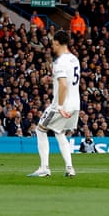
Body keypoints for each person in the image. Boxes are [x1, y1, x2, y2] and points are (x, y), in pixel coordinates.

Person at [27, 30, 80, 177]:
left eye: (53, 43)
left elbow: (63, 85)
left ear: (57, 43)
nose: (52, 46)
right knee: (59, 132)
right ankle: (70, 168)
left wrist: (60, 106)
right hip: (76, 103)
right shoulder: (74, 59)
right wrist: (51, 80)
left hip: (61, 105)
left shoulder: (59, 62)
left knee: (40, 129)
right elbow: (67, 80)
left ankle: (44, 168)